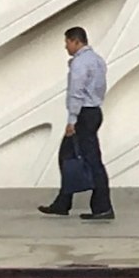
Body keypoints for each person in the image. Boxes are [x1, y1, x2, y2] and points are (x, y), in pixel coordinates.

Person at [38, 25, 111, 220]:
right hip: (94, 111)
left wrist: (72, 120)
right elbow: (101, 87)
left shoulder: (80, 63)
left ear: (76, 41)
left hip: (83, 115)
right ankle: (63, 202)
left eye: (67, 42)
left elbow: (76, 93)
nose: (66, 47)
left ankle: (102, 207)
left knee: (90, 160)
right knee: (68, 156)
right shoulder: (98, 61)